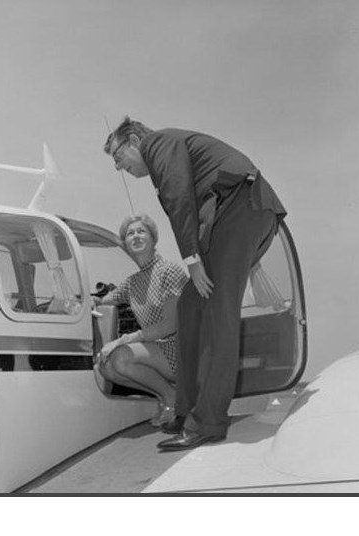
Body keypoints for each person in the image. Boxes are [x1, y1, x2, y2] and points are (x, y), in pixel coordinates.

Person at [104, 117, 287, 451]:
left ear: (133, 141)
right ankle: (188, 411)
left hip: (242, 209)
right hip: (236, 215)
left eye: (118, 158)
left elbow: (179, 199)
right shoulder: (166, 148)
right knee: (191, 306)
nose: (120, 167)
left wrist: (193, 260)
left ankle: (208, 422)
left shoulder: (158, 144)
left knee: (218, 313)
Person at [95, 213, 188, 426]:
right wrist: (89, 300)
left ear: (153, 239)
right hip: (156, 349)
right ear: (125, 244)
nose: (135, 236)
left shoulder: (169, 271)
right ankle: (167, 394)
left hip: (180, 349)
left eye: (141, 231)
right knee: (106, 367)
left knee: (120, 357)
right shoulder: (132, 281)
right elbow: (106, 300)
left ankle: (171, 399)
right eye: (130, 234)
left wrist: (121, 340)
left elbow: (169, 325)